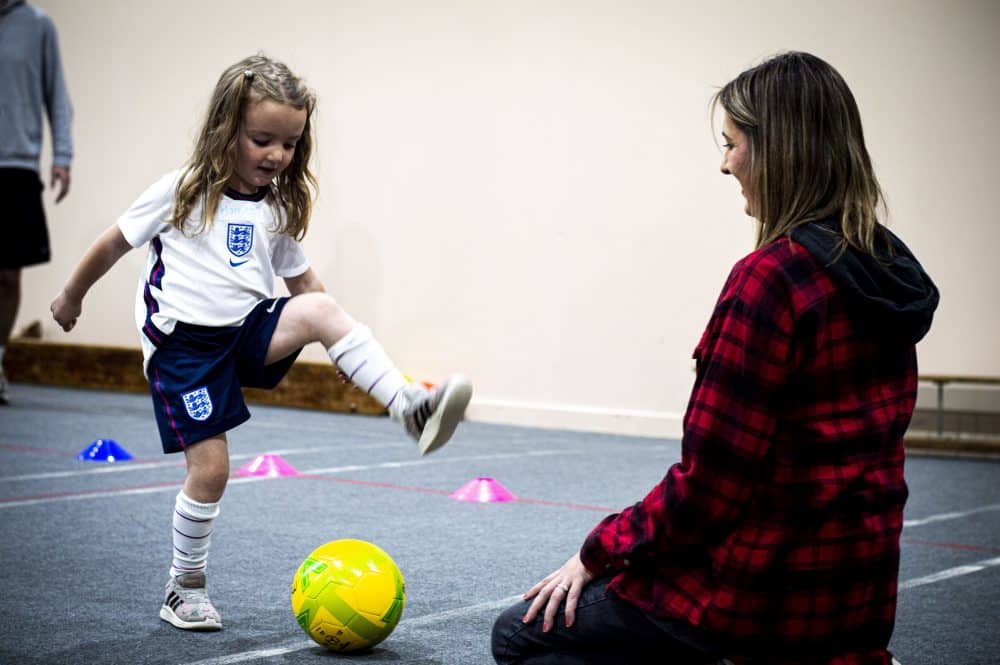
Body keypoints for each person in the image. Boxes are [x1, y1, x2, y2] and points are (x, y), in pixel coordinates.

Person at [492, 51, 938, 665]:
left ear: (777, 150)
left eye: (731, 144)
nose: (725, 164)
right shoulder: (887, 271)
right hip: (856, 605)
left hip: (761, 601)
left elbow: (709, 490)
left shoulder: (772, 280)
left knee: (519, 634)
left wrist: (596, 553)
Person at [49, 54, 473, 632]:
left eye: (290, 144)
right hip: (184, 351)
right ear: (227, 130)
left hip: (244, 331)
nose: (277, 155)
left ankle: (406, 405)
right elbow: (113, 244)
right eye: (262, 140)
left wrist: (338, 344)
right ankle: (184, 585)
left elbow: (305, 286)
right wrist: (71, 296)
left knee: (322, 309)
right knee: (213, 468)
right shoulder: (182, 191)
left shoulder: (275, 207)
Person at [0, 0, 73, 404]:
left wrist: (62, 156)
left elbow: (56, 97)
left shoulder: (38, 25)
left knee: (8, 275)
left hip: (15, 164)